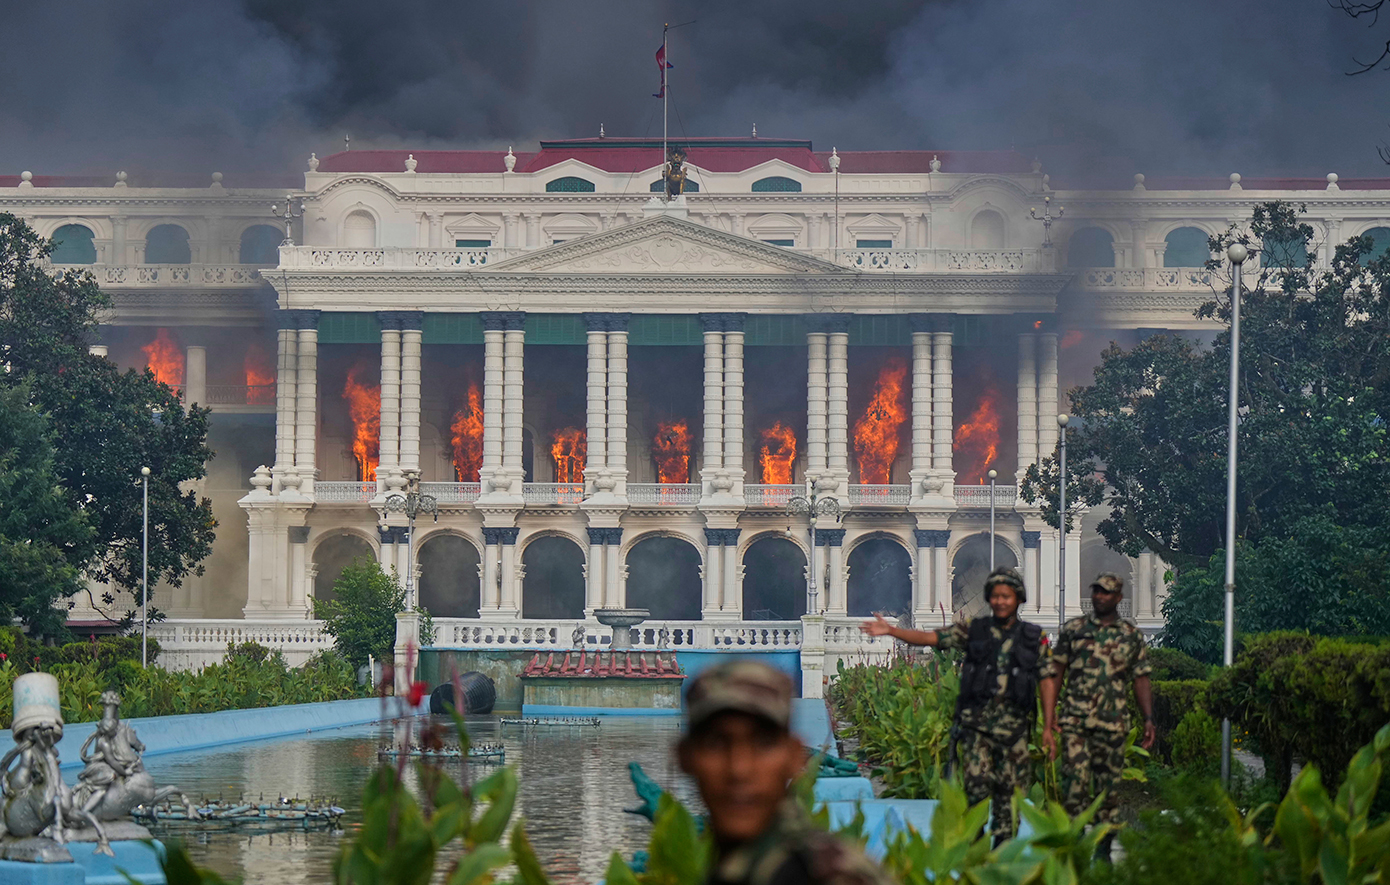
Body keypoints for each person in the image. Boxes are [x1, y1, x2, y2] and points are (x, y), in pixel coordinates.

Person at [861, 567, 1044, 844]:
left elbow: (1049, 677)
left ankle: (1004, 852)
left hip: (1014, 730)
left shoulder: (1031, 636)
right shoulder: (974, 631)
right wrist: (891, 631)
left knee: (1010, 796)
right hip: (976, 728)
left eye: (1006, 596)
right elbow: (932, 638)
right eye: (995, 596)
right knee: (975, 791)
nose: (1000, 601)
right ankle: (975, 847)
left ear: (1018, 598)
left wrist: (1049, 723)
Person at [679, 661, 892, 885]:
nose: (739, 770)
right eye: (715, 744)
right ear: (684, 757)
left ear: (794, 756)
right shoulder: (738, 865)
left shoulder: (829, 874)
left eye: (764, 743)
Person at [1040, 573, 1156, 859]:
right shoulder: (1074, 630)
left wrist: (1148, 718)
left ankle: (1103, 848)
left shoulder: (1130, 635)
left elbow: (1140, 678)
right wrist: (1049, 717)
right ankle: (1076, 844)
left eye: (1106, 592)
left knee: (1108, 789)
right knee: (1074, 784)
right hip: (1075, 722)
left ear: (1118, 597)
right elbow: (1056, 672)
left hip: (1112, 723)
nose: (1099, 597)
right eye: (1096, 591)